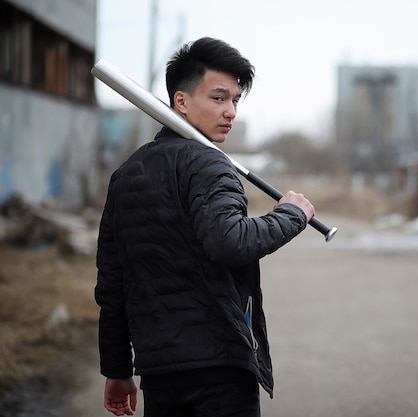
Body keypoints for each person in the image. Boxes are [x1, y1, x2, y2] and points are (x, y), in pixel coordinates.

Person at [94, 37, 315, 417]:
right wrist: (291, 214)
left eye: (235, 100)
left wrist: (116, 369)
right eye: (218, 98)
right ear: (181, 101)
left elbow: (112, 284)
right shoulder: (211, 164)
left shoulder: (126, 174)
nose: (230, 111)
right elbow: (229, 241)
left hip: (159, 373)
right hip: (221, 371)